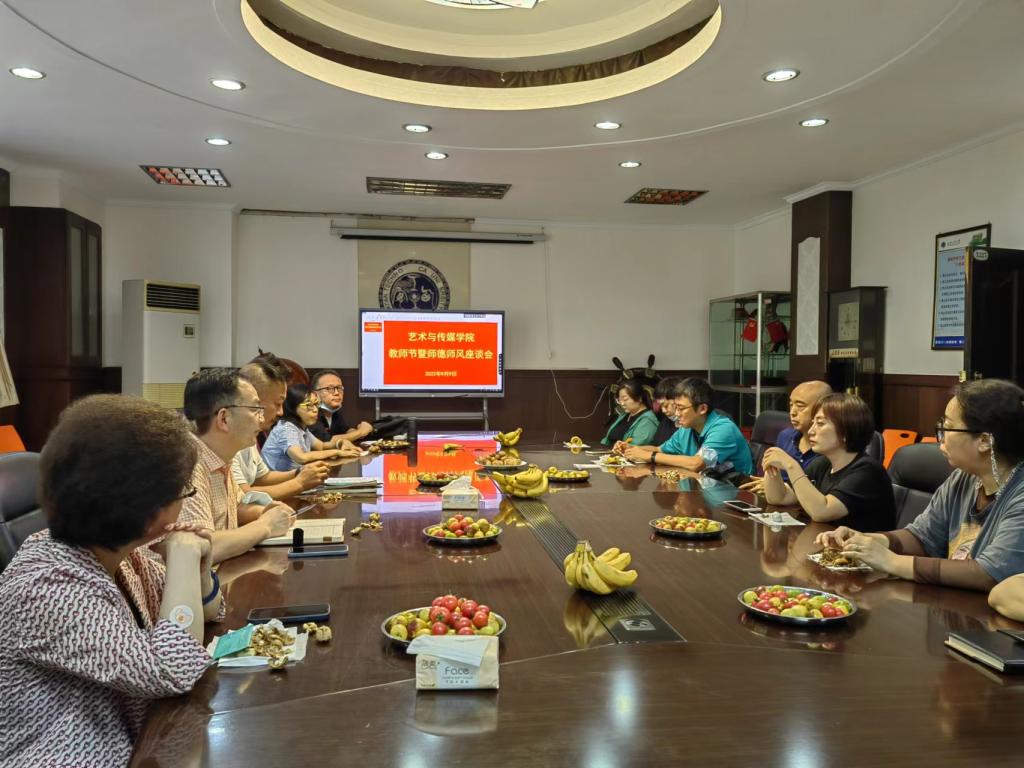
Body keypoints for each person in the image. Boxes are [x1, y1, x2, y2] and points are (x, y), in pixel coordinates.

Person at [0, 395, 223, 767]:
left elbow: (211, 613)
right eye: (184, 491)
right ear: (149, 510)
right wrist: (184, 554)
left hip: (138, 743)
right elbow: (171, 668)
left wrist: (198, 570)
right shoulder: (47, 586)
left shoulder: (119, 553)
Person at [818, 379, 1024, 592]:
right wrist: (868, 540)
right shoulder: (962, 478)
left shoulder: (1019, 493)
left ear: (985, 441)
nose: (940, 436)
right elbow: (923, 537)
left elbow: (989, 574)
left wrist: (891, 561)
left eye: (948, 427)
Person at [179, 368, 295, 564]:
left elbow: (234, 509)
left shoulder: (221, 458)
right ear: (224, 418)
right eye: (255, 409)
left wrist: (264, 512)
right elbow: (198, 550)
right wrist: (266, 525)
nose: (261, 418)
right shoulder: (187, 465)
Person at [763, 393, 895, 531]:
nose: (811, 431)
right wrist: (772, 469)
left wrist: (791, 466)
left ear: (845, 432)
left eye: (820, 424)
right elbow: (780, 498)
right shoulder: (822, 463)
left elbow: (821, 512)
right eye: (813, 423)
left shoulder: (868, 471)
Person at [234, 353, 331, 500]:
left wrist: (300, 472)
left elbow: (262, 477)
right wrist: (299, 483)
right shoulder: (228, 437)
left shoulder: (249, 434)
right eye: (278, 404)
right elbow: (243, 496)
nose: (281, 412)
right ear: (254, 399)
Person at [619, 377, 753, 476]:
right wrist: (631, 448)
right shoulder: (687, 428)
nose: (677, 414)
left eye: (681, 408)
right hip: (705, 487)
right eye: (676, 407)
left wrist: (650, 456)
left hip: (734, 493)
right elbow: (660, 449)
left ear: (702, 409)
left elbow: (697, 463)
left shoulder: (723, 429)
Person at [740, 380, 832, 494]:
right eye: (791, 405)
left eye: (800, 406)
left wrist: (781, 487)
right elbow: (773, 477)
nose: (792, 412)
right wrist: (770, 483)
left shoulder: (830, 448)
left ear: (823, 409)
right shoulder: (785, 436)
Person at [262, 384, 360, 471]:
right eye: (309, 405)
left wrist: (340, 443)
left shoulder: (301, 427)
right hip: (275, 482)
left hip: (291, 478)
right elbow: (301, 457)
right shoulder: (286, 428)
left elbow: (321, 446)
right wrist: (338, 452)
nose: (315, 410)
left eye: (316, 404)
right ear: (292, 407)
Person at [309, 369, 374, 444]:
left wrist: (360, 430)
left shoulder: (334, 411)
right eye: (329, 388)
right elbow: (326, 441)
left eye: (339, 388)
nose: (336, 393)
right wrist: (360, 432)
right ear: (315, 394)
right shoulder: (311, 413)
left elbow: (346, 431)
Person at [600, 379, 659, 447]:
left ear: (639, 398)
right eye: (619, 400)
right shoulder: (624, 415)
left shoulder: (648, 421)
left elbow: (637, 447)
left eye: (625, 399)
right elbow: (607, 439)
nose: (622, 404)